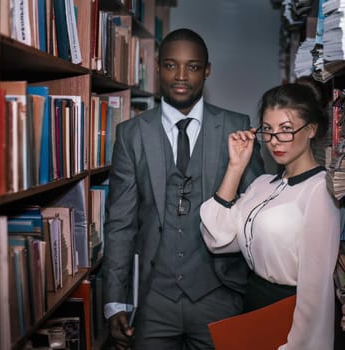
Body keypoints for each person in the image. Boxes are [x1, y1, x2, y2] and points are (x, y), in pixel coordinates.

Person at [102, 28, 264, 350]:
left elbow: (253, 215)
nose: (180, 75)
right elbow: (120, 223)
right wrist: (115, 301)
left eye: (192, 66)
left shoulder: (236, 127)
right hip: (152, 301)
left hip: (219, 295)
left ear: (207, 70)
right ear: (158, 68)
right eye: (170, 65)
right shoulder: (132, 134)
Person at [200, 82, 341, 349]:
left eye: (286, 130)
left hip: (289, 314)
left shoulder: (320, 190)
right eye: (268, 130)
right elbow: (216, 238)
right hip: (253, 304)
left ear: (311, 129)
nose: (275, 140)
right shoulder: (261, 185)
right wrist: (236, 166)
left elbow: (315, 290)